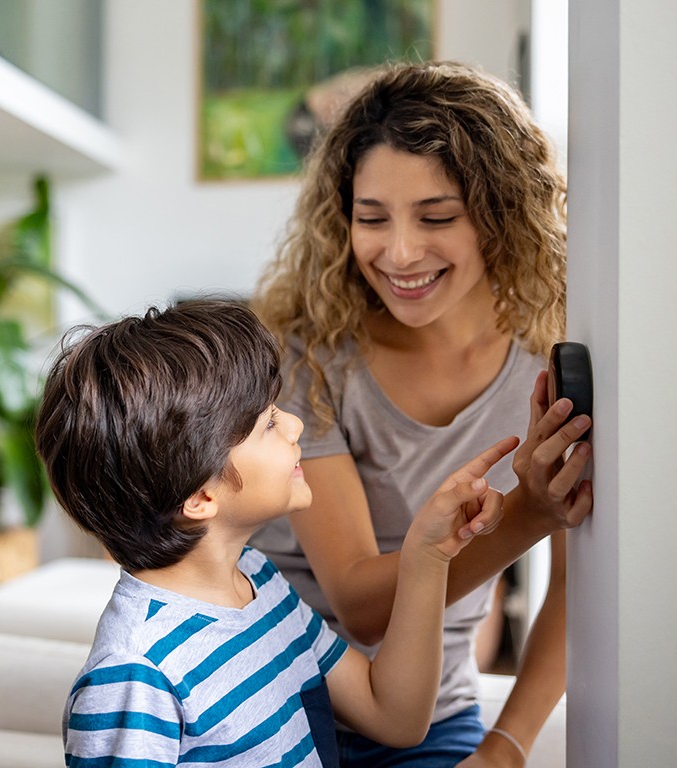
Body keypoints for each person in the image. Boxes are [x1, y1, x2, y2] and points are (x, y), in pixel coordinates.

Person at [250, 60, 594, 767]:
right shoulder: (308, 356)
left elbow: (577, 584)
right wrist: (529, 510)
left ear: (502, 214)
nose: (400, 253)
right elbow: (363, 605)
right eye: (370, 218)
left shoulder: (553, 359)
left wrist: (506, 747)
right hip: (272, 706)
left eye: (437, 217)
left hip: (433, 715)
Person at [34, 299, 520, 767]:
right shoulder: (133, 676)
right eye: (267, 422)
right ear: (201, 496)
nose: (295, 424)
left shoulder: (257, 582)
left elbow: (394, 718)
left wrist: (427, 555)